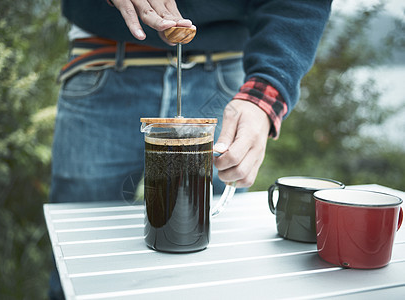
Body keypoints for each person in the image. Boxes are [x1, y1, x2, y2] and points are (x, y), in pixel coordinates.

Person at [49, 0, 333, 298]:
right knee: (78, 252)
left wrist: (265, 95)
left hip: (222, 78)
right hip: (102, 61)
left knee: (212, 272)